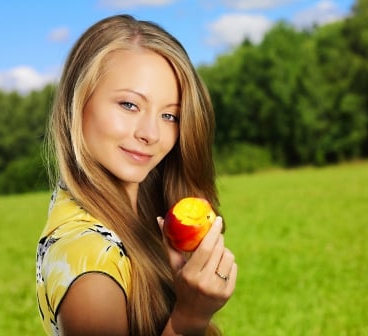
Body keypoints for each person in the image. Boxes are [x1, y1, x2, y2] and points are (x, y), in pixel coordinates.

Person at [35, 14, 237, 336]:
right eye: (129, 105)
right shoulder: (92, 265)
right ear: (78, 102)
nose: (151, 134)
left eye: (170, 115)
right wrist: (189, 319)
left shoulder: (131, 220)